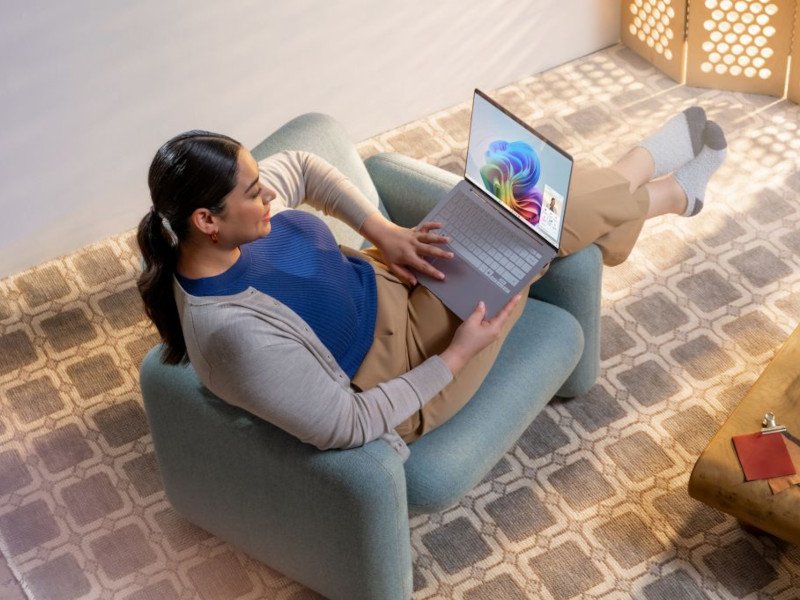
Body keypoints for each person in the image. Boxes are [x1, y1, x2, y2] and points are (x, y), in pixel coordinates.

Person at [137, 107, 726, 458]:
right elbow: (348, 424)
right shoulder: (232, 334)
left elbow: (306, 168)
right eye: (252, 191)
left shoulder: (229, 228)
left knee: (511, 192)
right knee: (523, 227)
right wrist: (458, 355)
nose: (269, 193)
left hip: (389, 273)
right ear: (206, 221)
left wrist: (387, 231)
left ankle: (648, 192)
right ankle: (655, 186)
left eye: (259, 180)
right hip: (402, 367)